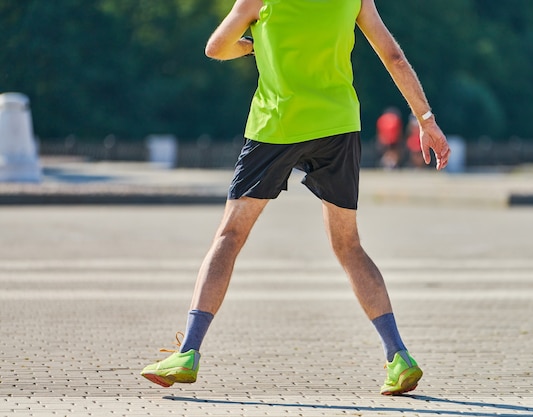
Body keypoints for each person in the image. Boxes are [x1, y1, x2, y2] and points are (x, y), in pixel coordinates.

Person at [141, 0, 450, 396]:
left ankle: (187, 353)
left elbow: (216, 47)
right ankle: (398, 356)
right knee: (349, 245)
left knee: (229, 237)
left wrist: (253, 45)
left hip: (277, 125)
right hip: (337, 127)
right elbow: (393, 55)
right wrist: (426, 121)